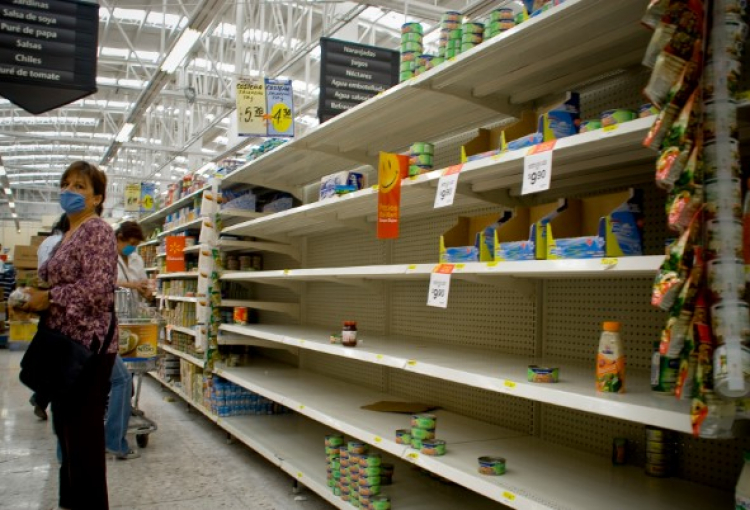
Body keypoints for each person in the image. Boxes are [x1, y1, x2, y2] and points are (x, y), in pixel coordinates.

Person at [21, 161, 118, 510]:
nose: (70, 191)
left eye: (80, 186)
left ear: (96, 198)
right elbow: (58, 282)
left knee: (83, 435)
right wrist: (34, 301)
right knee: (65, 430)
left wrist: (50, 298)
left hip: (87, 346)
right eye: (66, 184)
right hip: (61, 344)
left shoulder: (97, 231)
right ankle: (71, 500)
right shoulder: (67, 233)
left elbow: (98, 290)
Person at [106, 221, 149, 461]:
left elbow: (141, 283)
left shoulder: (136, 260)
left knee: (128, 371)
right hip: (111, 321)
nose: (132, 249)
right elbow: (106, 283)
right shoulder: (105, 256)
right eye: (130, 244)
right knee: (118, 377)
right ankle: (114, 435)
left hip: (131, 320)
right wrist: (132, 284)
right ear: (119, 237)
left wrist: (145, 289)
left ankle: (119, 411)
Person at [28, 214, 69, 421]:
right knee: (61, 356)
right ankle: (43, 397)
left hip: (45, 299)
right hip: (61, 302)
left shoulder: (45, 242)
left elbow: (41, 272)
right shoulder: (64, 242)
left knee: (49, 350)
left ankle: (41, 396)